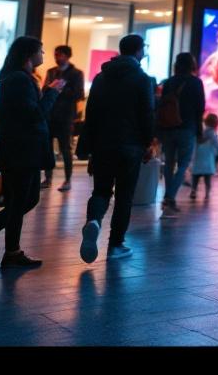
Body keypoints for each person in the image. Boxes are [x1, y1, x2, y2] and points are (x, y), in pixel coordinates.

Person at [0, 37, 64, 270]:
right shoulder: (19, 80)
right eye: (41, 50)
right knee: (22, 200)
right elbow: (34, 115)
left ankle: (10, 251)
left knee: (22, 200)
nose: (44, 53)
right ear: (29, 55)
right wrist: (51, 93)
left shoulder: (18, 78)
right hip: (22, 150)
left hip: (21, 149)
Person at [76, 34, 156, 263]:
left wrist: (89, 146)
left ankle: (93, 221)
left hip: (102, 144)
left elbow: (91, 114)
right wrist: (148, 141)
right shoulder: (142, 79)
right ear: (139, 51)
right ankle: (116, 244)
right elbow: (147, 113)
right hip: (130, 146)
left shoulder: (102, 77)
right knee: (124, 196)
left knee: (101, 191)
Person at [158, 53, 205, 218]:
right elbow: (200, 109)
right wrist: (199, 131)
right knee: (184, 164)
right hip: (187, 128)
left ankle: (168, 199)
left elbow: (162, 106)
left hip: (169, 128)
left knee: (169, 164)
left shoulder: (169, 82)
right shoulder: (196, 83)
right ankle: (169, 197)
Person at [43, 44, 84, 191]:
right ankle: (47, 178)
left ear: (67, 56)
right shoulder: (51, 72)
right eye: (55, 55)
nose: (56, 58)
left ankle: (68, 180)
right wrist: (52, 88)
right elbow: (44, 90)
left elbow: (79, 94)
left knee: (65, 148)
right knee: (47, 148)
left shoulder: (76, 73)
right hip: (50, 114)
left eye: (59, 55)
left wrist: (61, 89)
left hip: (66, 116)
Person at [190, 114, 218, 199]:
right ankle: (207, 193)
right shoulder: (212, 134)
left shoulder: (200, 132)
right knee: (207, 178)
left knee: (196, 176)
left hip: (198, 158)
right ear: (216, 124)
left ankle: (193, 190)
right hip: (208, 159)